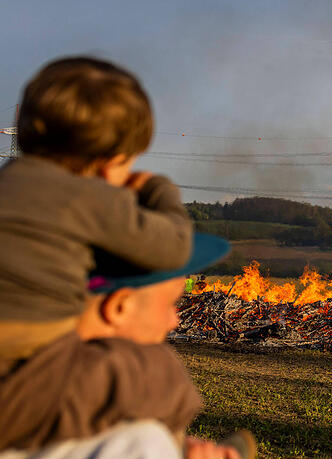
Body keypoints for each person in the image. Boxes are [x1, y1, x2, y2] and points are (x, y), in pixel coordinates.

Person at [0, 56, 192, 362]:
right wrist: (157, 189)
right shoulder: (91, 198)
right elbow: (175, 247)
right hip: (36, 358)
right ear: (108, 162)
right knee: (158, 373)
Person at [0, 233, 253, 458]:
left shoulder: (23, 363)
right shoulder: (139, 443)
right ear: (119, 306)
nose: (174, 319)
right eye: (169, 303)